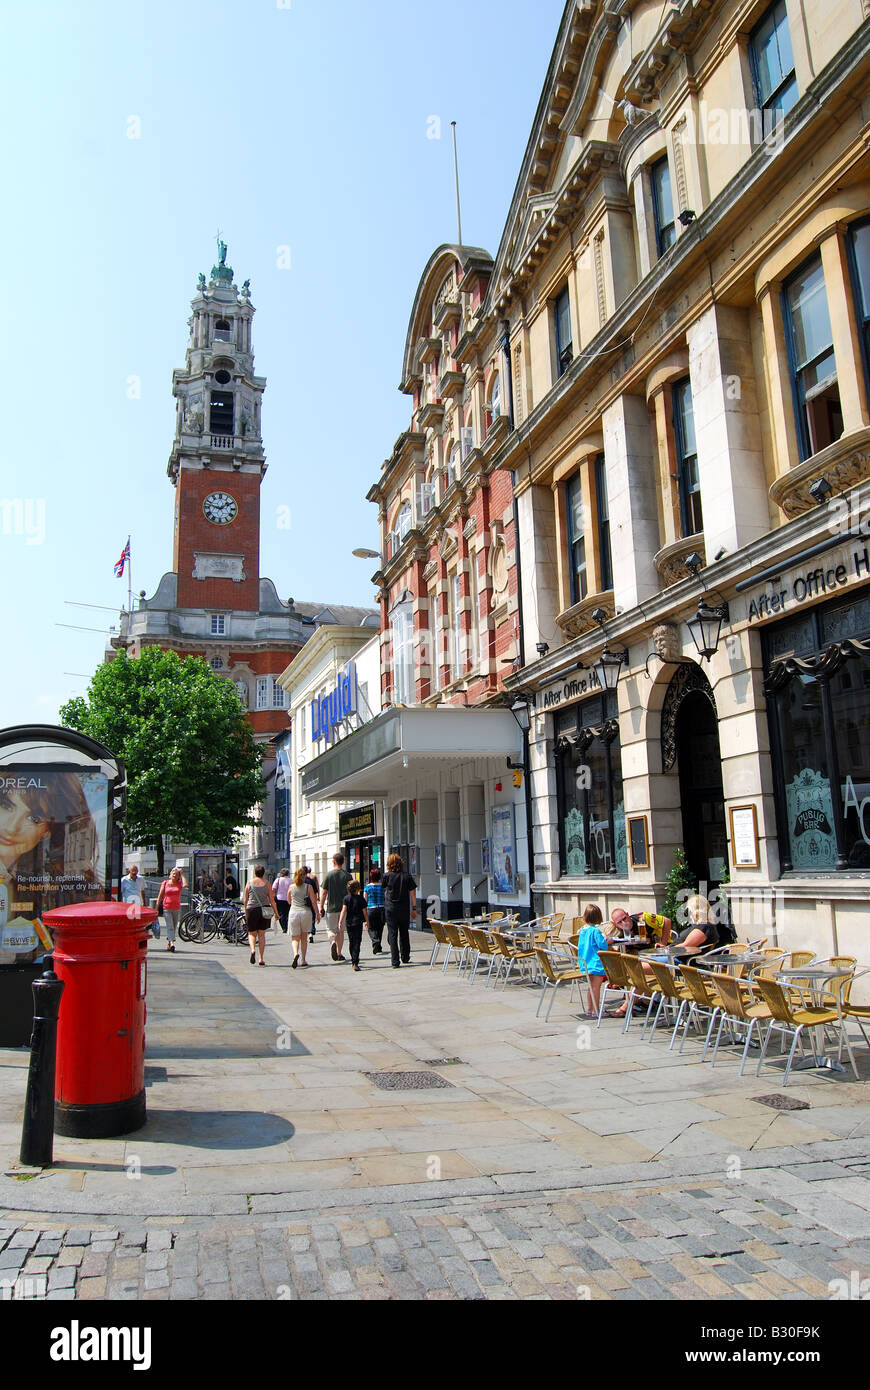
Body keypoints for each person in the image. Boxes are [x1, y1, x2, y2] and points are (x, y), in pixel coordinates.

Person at [575, 904, 617, 1017]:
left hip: (586, 962)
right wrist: (608, 941)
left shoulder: (583, 930)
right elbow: (602, 945)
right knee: (596, 987)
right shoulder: (595, 931)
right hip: (596, 963)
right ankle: (596, 1010)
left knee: (590, 987)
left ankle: (590, 1008)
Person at [382, 852, 417, 968]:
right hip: (404, 908)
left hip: (390, 908)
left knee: (392, 934)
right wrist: (414, 908)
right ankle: (405, 957)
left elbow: (385, 890)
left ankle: (395, 961)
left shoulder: (386, 876)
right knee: (404, 933)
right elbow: (412, 893)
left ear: (389, 864)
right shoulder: (407, 876)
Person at [243, 866, 278, 966]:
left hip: (252, 910)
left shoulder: (249, 883)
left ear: (254, 873)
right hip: (264, 910)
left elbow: (245, 899)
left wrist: (246, 911)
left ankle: (253, 950)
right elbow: (272, 900)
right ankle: (261, 958)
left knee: (251, 933)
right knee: (261, 935)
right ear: (263, 873)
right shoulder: (267, 884)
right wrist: (276, 913)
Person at [320, 853, 351, 962]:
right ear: (343, 862)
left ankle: (332, 941)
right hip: (343, 908)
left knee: (330, 929)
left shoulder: (329, 875)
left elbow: (324, 893)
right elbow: (350, 893)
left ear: (334, 862)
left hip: (331, 907)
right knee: (341, 930)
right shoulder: (347, 876)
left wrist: (321, 907)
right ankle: (339, 953)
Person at [288, 866, 318, 968]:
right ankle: (304, 960)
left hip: (294, 913)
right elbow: (313, 902)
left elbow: (288, 901)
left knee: (295, 938)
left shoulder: (291, 887)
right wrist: (317, 914)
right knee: (304, 938)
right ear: (304, 876)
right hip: (306, 913)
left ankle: (295, 953)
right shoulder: (308, 886)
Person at [339, 879, 368, 971]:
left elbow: (343, 911)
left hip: (349, 922)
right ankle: (355, 961)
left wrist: (340, 922)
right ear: (358, 889)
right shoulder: (361, 899)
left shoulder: (346, 898)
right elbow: (365, 912)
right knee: (357, 941)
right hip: (358, 922)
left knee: (351, 941)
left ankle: (353, 960)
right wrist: (367, 921)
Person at [156, 866, 186, 953]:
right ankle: (172, 943)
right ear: (170, 875)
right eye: (173, 874)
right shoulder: (165, 883)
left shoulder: (179, 884)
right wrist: (156, 908)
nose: (174, 875)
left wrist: (182, 874)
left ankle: (169, 943)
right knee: (170, 926)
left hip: (176, 908)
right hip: (167, 907)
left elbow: (185, 885)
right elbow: (160, 896)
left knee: (174, 926)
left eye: (176, 874)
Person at [363, 867, 385, 955]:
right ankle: (378, 946)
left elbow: (365, 900)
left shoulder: (367, 888)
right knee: (380, 928)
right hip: (381, 908)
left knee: (370, 927)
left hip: (371, 908)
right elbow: (385, 897)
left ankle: (375, 941)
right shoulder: (383, 887)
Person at [272, 868, 291, 934]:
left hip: (279, 898)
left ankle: (284, 928)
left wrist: (273, 897)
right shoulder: (291, 880)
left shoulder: (278, 879)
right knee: (288, 913)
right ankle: (288, 926)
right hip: (289, 899)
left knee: (281, 913)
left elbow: (273, 889)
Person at [305, 866, 320, 943]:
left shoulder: (300, 880)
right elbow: (317, 888)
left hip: (303, 901)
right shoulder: (313, 877)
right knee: (312, 914)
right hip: (311, 899)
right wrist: (318, 897)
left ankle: (308, 932)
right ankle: (312, 929)